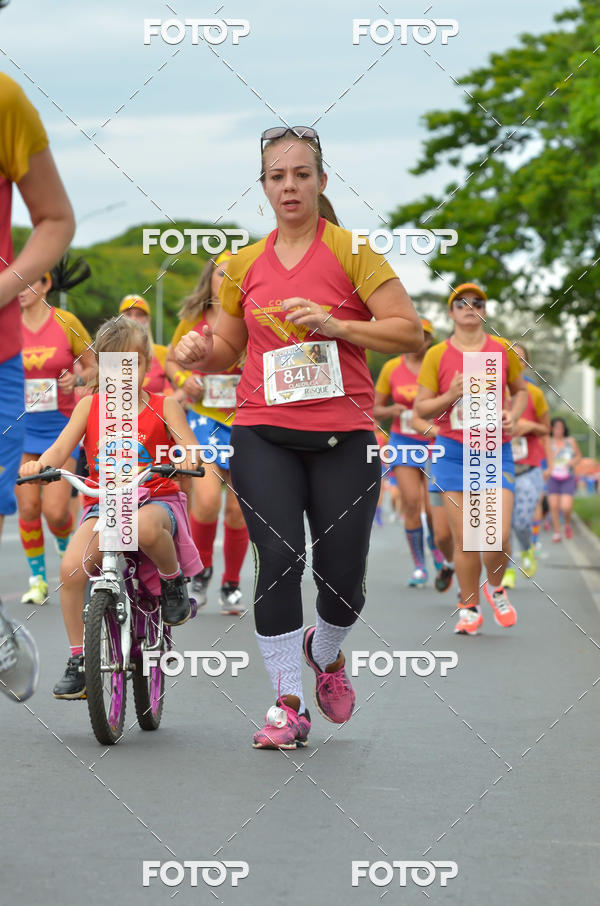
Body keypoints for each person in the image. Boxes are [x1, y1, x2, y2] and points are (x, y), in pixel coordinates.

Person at [175, 125, 422, 749]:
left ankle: (326, 649)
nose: (289, 186)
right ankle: (287, 704)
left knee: (343, 580)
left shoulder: (353, 252)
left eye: (301, 174)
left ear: (321, 181)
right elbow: (228, 348)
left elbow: (408, 332)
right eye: (277, 176)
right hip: (263, 433)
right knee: (280, 561)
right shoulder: (241, 265)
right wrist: (200, 353)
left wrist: (337, 325)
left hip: (345, 436)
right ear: (263, 186)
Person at [18, 318, 203, 699]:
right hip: (104, 506)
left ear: (148, 362)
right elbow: (59, 449)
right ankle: (79, 659)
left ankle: (172, 584)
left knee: (145, 527)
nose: (124, 375)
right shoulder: (89, 406)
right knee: (71, 570)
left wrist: (188, 455)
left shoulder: (164, 406)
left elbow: (190, 445)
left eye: (133, 364)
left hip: (155, 499)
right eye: (115, 366)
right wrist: (40, 466)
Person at [0, 69, 74, 700]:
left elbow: (55, 217)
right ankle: (32, 581)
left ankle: (68, 563)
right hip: (27, 425)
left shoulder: (5, 98)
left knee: (47, 508)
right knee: (28, 508)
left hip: (49, 424)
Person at [414, 283, 528, 635]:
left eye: (477, 302)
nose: (469, 307)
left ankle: (495, 587)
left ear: (484, 310)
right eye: (461, 303)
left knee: (496, 535)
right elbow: (422, 408)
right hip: (453, 452)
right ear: (451, 312)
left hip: (494, 449)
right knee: (466, 537)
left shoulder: (501, 350)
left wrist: (513, 415)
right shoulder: (437, 355)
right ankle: (469, 607)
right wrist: (451, 394)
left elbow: (520, 392)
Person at [166, 252, 249, 615]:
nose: (227, 279)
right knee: (207, 499)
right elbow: (171, 360)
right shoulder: (193, 319)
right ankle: (200, 573)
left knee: (238, 510)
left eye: (235, 274)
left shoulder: (253, 317)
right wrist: (185, 379)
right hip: (205, 420)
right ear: (209, 280)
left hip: (246, 421)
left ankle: (231, 584)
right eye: (220, 274)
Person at [16, 270, 95, 605]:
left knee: (56, 511)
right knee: (28, 507)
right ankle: (37, 580)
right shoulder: (8, 325)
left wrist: (77, 380)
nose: (21, 290)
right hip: (21, 429)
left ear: (46, 284)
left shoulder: (66, 321)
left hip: (60, 429)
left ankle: (67, 556)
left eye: (28, 282)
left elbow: (94, 365)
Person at [373, 317, 447, 587]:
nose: (419, 340)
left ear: (429, 341)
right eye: (415, 334)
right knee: (412, 503)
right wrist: (390, 410)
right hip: (403, 442)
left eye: (424, 336)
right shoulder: (392, 367)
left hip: (434, 442)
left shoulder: (438, 365)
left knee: (432, 508)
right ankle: (419, 566)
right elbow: (375, 408)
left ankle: (437, 550)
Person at [501, 343, 551, 588]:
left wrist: (530, 426)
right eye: (511, 357)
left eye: (521, 359)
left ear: (527, 364)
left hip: (529, 468)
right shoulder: (491, 391)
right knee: (503, 524)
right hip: (500, 466)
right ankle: (508, 570)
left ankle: (527, 548)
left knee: (521, 521)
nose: (516, 362)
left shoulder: (535, 394)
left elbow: (546, 429)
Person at [118, 295, 172, 394]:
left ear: (148, 320)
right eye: (128, 314)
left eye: (139, 315)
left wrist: (164, 401)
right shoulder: (109, 351)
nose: (133, 319)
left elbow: (183, 389)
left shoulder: (163, 352)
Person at [545, 417, 582, 542]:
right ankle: (557, 532)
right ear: (552, 429)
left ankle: (567, 524)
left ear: (564, 429)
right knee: (554, 506)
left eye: (561, 428)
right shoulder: (548, 442)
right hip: (553, 477)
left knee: (566, 506)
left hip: (567, 477)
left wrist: (572, 462)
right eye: (556, 428)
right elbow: (545, 458)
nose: (558, 430)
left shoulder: (570, 441)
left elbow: (578, 456)